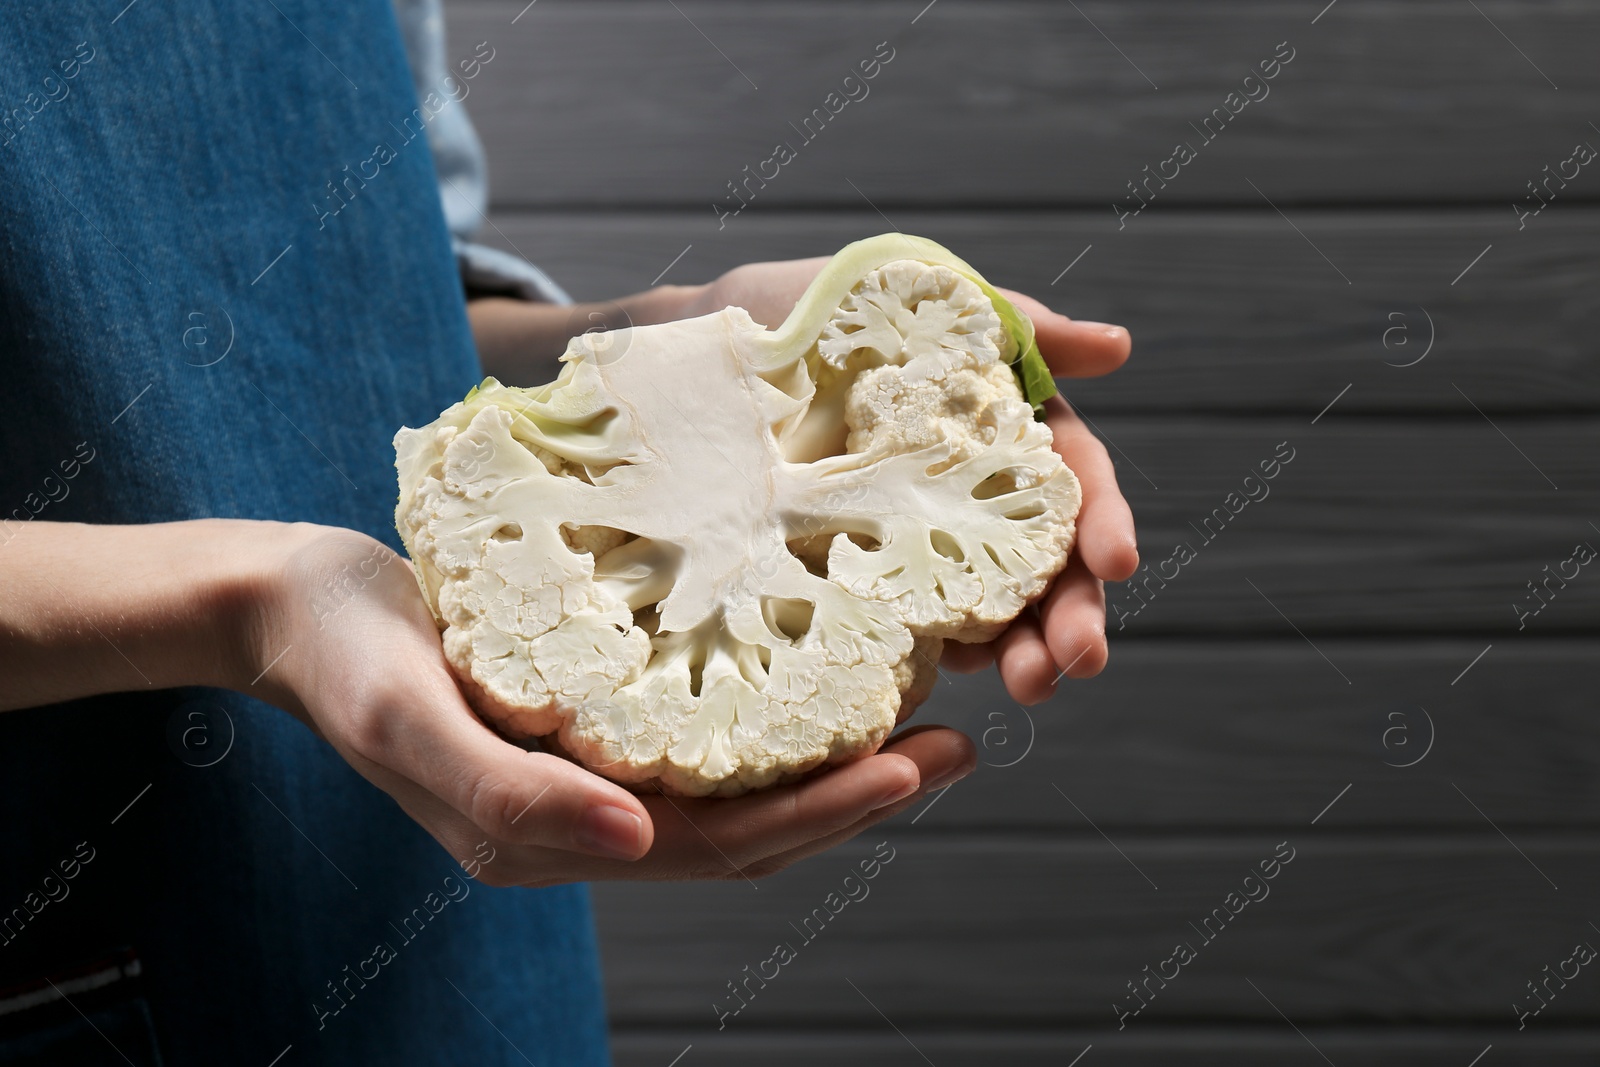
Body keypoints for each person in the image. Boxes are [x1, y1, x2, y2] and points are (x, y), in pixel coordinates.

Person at [0, 1, 1136, 1062]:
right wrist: (249, 601)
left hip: (454, 932)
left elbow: (380, 299)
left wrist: (689, 337)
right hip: (107, 913)